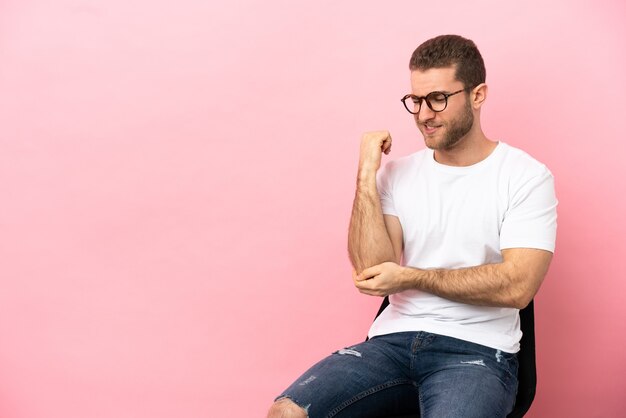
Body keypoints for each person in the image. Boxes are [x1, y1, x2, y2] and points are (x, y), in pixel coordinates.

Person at [267, 34, 557, 418]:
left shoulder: (525, 176)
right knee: (287, 413)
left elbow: (519, 286)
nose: (423, 114)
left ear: (478, 94)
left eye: (438, 99)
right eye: (415, 101)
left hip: (477, 350)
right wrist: (366, 173)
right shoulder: (399, 174)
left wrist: (411, 278)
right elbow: (372, 269)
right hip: (391, 343)